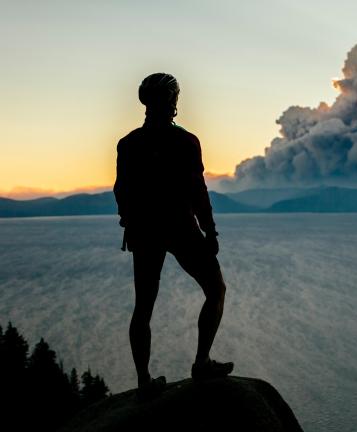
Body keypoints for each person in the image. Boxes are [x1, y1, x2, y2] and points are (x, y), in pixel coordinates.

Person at [113, 73, 234, 400]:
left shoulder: (129, 143)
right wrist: (210, 230)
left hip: (143, 231)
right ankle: (201, 362)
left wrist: (129, 221)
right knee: (216, 289)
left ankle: (143, 381)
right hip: (180, 226)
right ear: (172, 100)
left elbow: (121, 190)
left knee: (143, 307)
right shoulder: (185, 141)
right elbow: (197, 189)